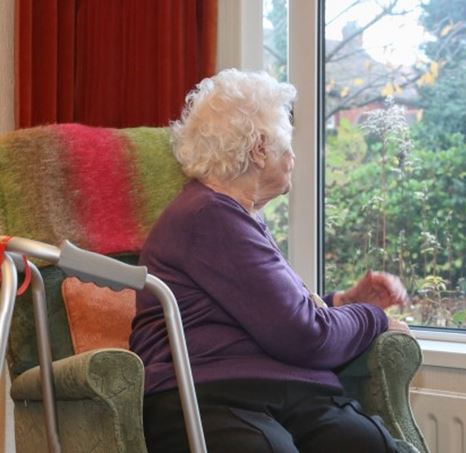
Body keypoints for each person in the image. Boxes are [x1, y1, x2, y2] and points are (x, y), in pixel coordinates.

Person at [130, 68, 414, 453]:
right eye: (286, 144)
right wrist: (374, 318)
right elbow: (305, 335)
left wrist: (342, 304)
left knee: (368, 443)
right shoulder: (208, 217)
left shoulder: (234, 216)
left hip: (279, 394)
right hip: (208, 397)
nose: (294, 157)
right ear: (259, 149)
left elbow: (274, 313)